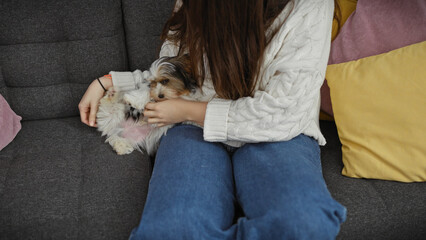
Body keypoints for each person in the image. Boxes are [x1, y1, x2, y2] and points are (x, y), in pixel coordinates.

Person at [79, 0, 347, 239]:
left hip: (277, 131)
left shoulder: (310, 6)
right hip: (189, 128)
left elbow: (283, 112)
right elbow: (167, 71)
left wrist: (186, 110)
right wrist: (110, 81)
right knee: (172, 230)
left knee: (304, 224)